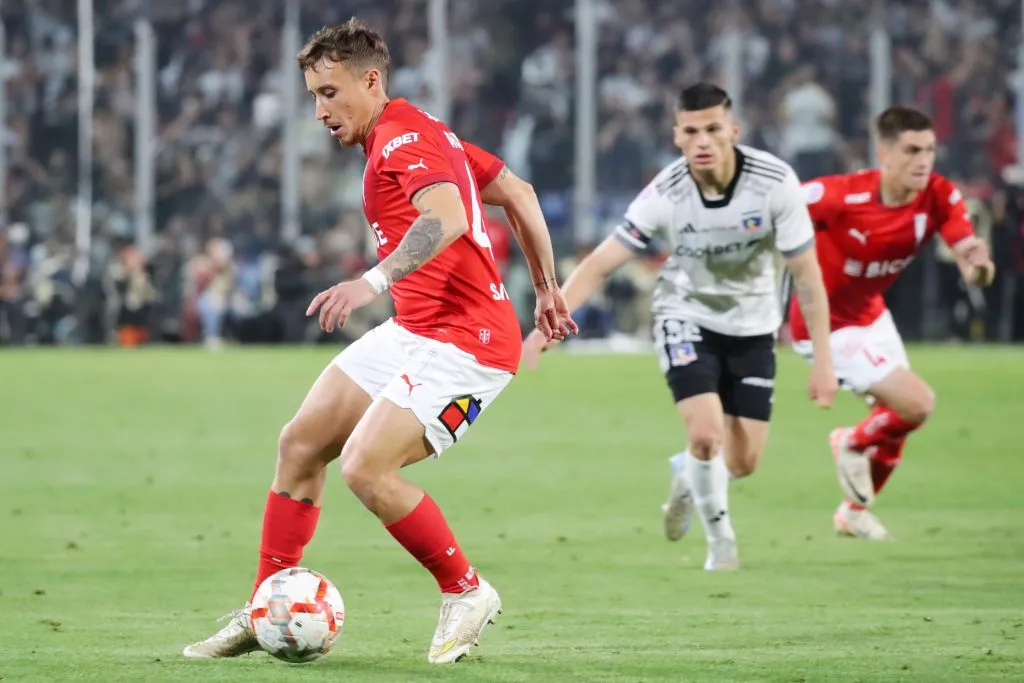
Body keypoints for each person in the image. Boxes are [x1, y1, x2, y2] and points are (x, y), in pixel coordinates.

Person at [183, 18, 575, 664]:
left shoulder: (401, 140)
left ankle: (466, 590)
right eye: (313, 95)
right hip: (417, 328)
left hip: (467, 342)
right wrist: (547, 288)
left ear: (371, 80)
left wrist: (373, 280)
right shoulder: (426, 131)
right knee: (301, 442)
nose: (320, 110)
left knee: (368, 466)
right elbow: (517, 192)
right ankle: (265, 605)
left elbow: (446, 217)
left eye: (331, 93)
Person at [523, 83, 837, 571]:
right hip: (685, 316)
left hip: (754, 328)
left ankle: (689, 474)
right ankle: (721, 544)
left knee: (743, 461)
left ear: (733, 130)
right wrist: (546, 330)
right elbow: (600, 264)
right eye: (692, 132)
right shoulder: (667, 192)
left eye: (713, 129)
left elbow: (808, 277)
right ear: (677, 136)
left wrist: (823, 361)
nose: (703, 141)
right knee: (707, 434)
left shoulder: (775, 183)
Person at [790, 106, 995, 540]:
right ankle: (850, 441)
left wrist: (979, 266)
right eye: (911, 150)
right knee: (917, 403)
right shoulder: (840, 195)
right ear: (883, 152)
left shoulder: (939, 194)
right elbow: (780, 210)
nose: (923, 160)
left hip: (871, 314)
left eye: (930, 149)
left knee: (900, 420)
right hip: (825, 324)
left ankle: (854, 512)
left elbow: (970, 263)